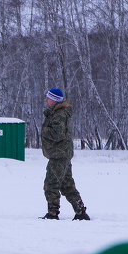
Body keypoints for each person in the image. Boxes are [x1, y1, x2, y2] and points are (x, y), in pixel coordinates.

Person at [41, 88, 89, 220]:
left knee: (51, 184)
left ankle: (52, 213)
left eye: (48, 98)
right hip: (62, 154)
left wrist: (44, 131)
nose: (46, 100)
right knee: (67, 184)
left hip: (59, 155)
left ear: (54, 100)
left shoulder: (59, 115)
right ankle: (81, 212)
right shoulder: (58, 113)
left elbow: (58, 134)